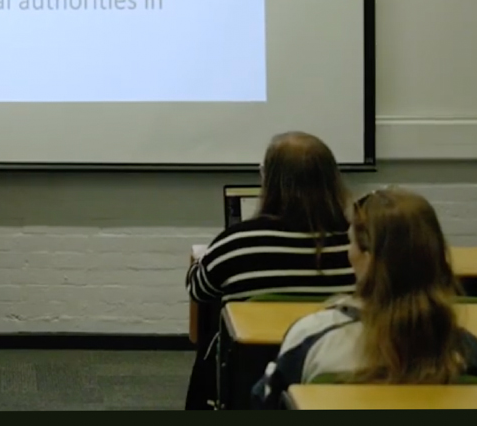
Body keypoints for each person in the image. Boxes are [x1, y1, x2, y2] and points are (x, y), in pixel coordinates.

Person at [250, 188, 477, 409]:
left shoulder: (312, 339)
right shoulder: (464, 351)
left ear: (368, 259)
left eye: (351, 243)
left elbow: (264, 403)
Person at [183, 131, 356, 410]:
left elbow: (199, 289)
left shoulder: (238, 242)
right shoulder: (358, 245)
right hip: (337, 376)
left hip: (250, 383)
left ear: (271, 183)